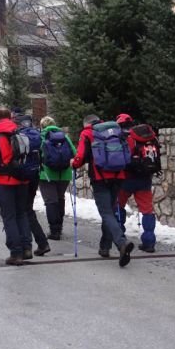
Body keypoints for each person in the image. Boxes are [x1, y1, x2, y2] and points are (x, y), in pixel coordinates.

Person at [70, 114, 134, 267]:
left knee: (106, 213)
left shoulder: (87, 133)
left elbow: (80, 156)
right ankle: (104, 247)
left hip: (100, 179)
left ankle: (121, 242)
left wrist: (74, 163)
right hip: (119, 176)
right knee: (110, 212)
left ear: (86, 123)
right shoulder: (115, 130)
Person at [0, 107, 31, 266]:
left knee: (9, 216)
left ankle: (16, 253)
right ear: (10, 117)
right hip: (22, 178)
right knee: (21, 214)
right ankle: (27, 247)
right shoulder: (18, 130)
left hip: (5, 180)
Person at [116, 113, 158, 253]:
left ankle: (120, 237)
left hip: (126, 179)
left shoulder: (125, 138)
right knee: (147, 210)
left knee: (118, 206)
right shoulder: (146, 136)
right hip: (145, 178)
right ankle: (149, 242)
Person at [12, 111, 49, 257]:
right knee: (28, 209)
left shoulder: (17, 134)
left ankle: (34, 244)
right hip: (35, 174)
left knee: (23, 211)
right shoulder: (37, 134)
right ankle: (41, 243)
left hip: (22, 176)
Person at [38, 116, 76, 242]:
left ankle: (54, 231)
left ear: (42, 126)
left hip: (46, 175)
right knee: (60, 199)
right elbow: (75, 153)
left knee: (51, 201)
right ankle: (59, 227)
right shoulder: (64, 137)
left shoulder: (41, 137)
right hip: (64, 174)